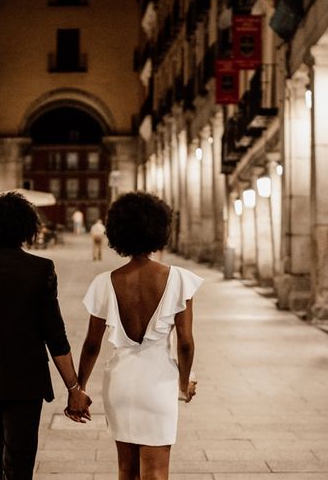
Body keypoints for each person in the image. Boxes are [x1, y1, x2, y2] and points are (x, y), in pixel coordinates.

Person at [0, 191, 92, 479]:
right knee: (20, 460)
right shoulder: (40, 269)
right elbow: (55, 333)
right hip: (26, 376)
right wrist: (74, 388)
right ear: (26, 229)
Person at [77, 192, 202, 480]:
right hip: (159, 383)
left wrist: (79, 387)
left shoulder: (104, 283)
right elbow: (185, 342)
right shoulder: (179, 279)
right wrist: (183, 382)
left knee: (127, 471)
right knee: (156, 473)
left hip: (120, 383)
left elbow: (92, 344)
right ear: (160, 230)